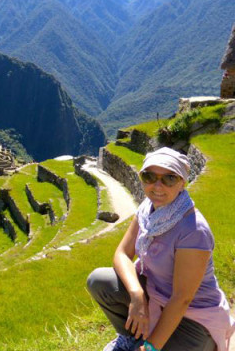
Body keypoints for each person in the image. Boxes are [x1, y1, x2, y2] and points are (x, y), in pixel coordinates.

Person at [87, 147, 235, 351]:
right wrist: (137, 295)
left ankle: (147, 341)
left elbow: (181, 299)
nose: (157, 186)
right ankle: (131, 336)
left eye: (169, 179)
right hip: (154, 296)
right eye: (149, 176)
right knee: (100, 281)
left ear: (182, 182)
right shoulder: (147, 210)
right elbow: (121, 254)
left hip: (194, 317)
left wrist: (151, 347)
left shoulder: (193, 230)